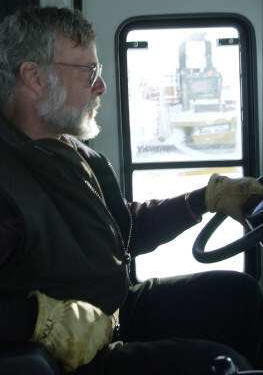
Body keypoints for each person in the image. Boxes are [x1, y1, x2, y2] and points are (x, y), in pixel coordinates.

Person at [0, 6, 262, 375]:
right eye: (88, 71)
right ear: (34, 77)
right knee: (221, 366)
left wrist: (204, 199)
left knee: (236, 295)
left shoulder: (73, 152)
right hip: (73, 356)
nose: (101, 86)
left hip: (114, 312)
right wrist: (38, 319)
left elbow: (119, 232)